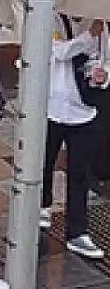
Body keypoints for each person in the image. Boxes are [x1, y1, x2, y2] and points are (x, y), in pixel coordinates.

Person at [44, 16, 107, 258]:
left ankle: (77, 231)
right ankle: (42, 206)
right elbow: (59, 52)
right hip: (53, 107)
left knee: (79, 173)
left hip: (83, 108)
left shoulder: (99, 25)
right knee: (44, 163)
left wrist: (101, 75)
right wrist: (88, 36)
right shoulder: (53, 20)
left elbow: (103, 59)